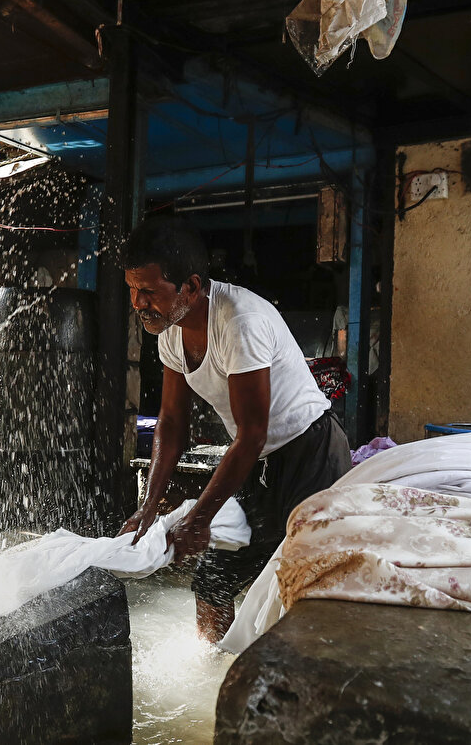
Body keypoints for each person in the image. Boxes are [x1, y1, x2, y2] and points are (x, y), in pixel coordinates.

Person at [118, 216, 351, 642]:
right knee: (212, 583)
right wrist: (148, 506)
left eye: (149, 291)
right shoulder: (169, 333)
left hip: (311, 453)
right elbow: (171, 424)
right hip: (259, 463)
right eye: (133, 289)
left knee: (308, 583)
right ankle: (218, 677)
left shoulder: (239, 321)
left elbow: (251, 434)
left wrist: (200, 518)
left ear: (189, 286)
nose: (137, 302)